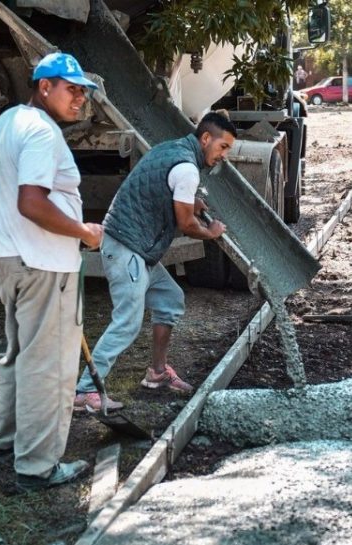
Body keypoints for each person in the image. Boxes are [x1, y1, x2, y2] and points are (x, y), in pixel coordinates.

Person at [0, 51, 105, 492]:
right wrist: (84, 231)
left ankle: (0, 443)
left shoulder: (7, 123)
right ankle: (37, 466)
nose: (80, 100)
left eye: (84, 93)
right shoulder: (42, 133)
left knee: (18, 356)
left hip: (9, 258)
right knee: (48, 367)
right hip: (44, 262)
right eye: (71, 89)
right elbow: (31, 202)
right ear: (44, 85)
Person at [72, 112, 233, 412]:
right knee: (127, 323)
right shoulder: (188, 169)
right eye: (223, 147)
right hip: (127, 248)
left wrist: (191, 202)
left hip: (136, 248)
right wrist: (210, 233)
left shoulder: (172, 150)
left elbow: (162, 192)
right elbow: (186, 224)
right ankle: (84, 391)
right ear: (206, 139)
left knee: (171, 299)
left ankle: (157, 373)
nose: (224, 155)